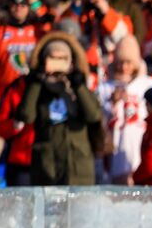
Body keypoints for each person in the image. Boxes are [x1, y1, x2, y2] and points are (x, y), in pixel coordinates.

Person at [18, 31, 102, 186]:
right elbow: (26, 115)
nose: (57, 63)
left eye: (62, 59)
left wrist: (78, 86)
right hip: (46, 168)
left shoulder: (78, 87)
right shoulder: (38, 89)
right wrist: (36, 82)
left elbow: (94, 115)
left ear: (70, 62)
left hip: (77, 167)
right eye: (53, 58)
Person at [98, 36, 152, 184]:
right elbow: (98, 118)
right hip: (114, 148)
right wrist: (112, 102)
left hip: (138, 145)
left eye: (128, 62)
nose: (124, 67)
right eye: (120, 62)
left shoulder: (147, 85)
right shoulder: (105, 87)